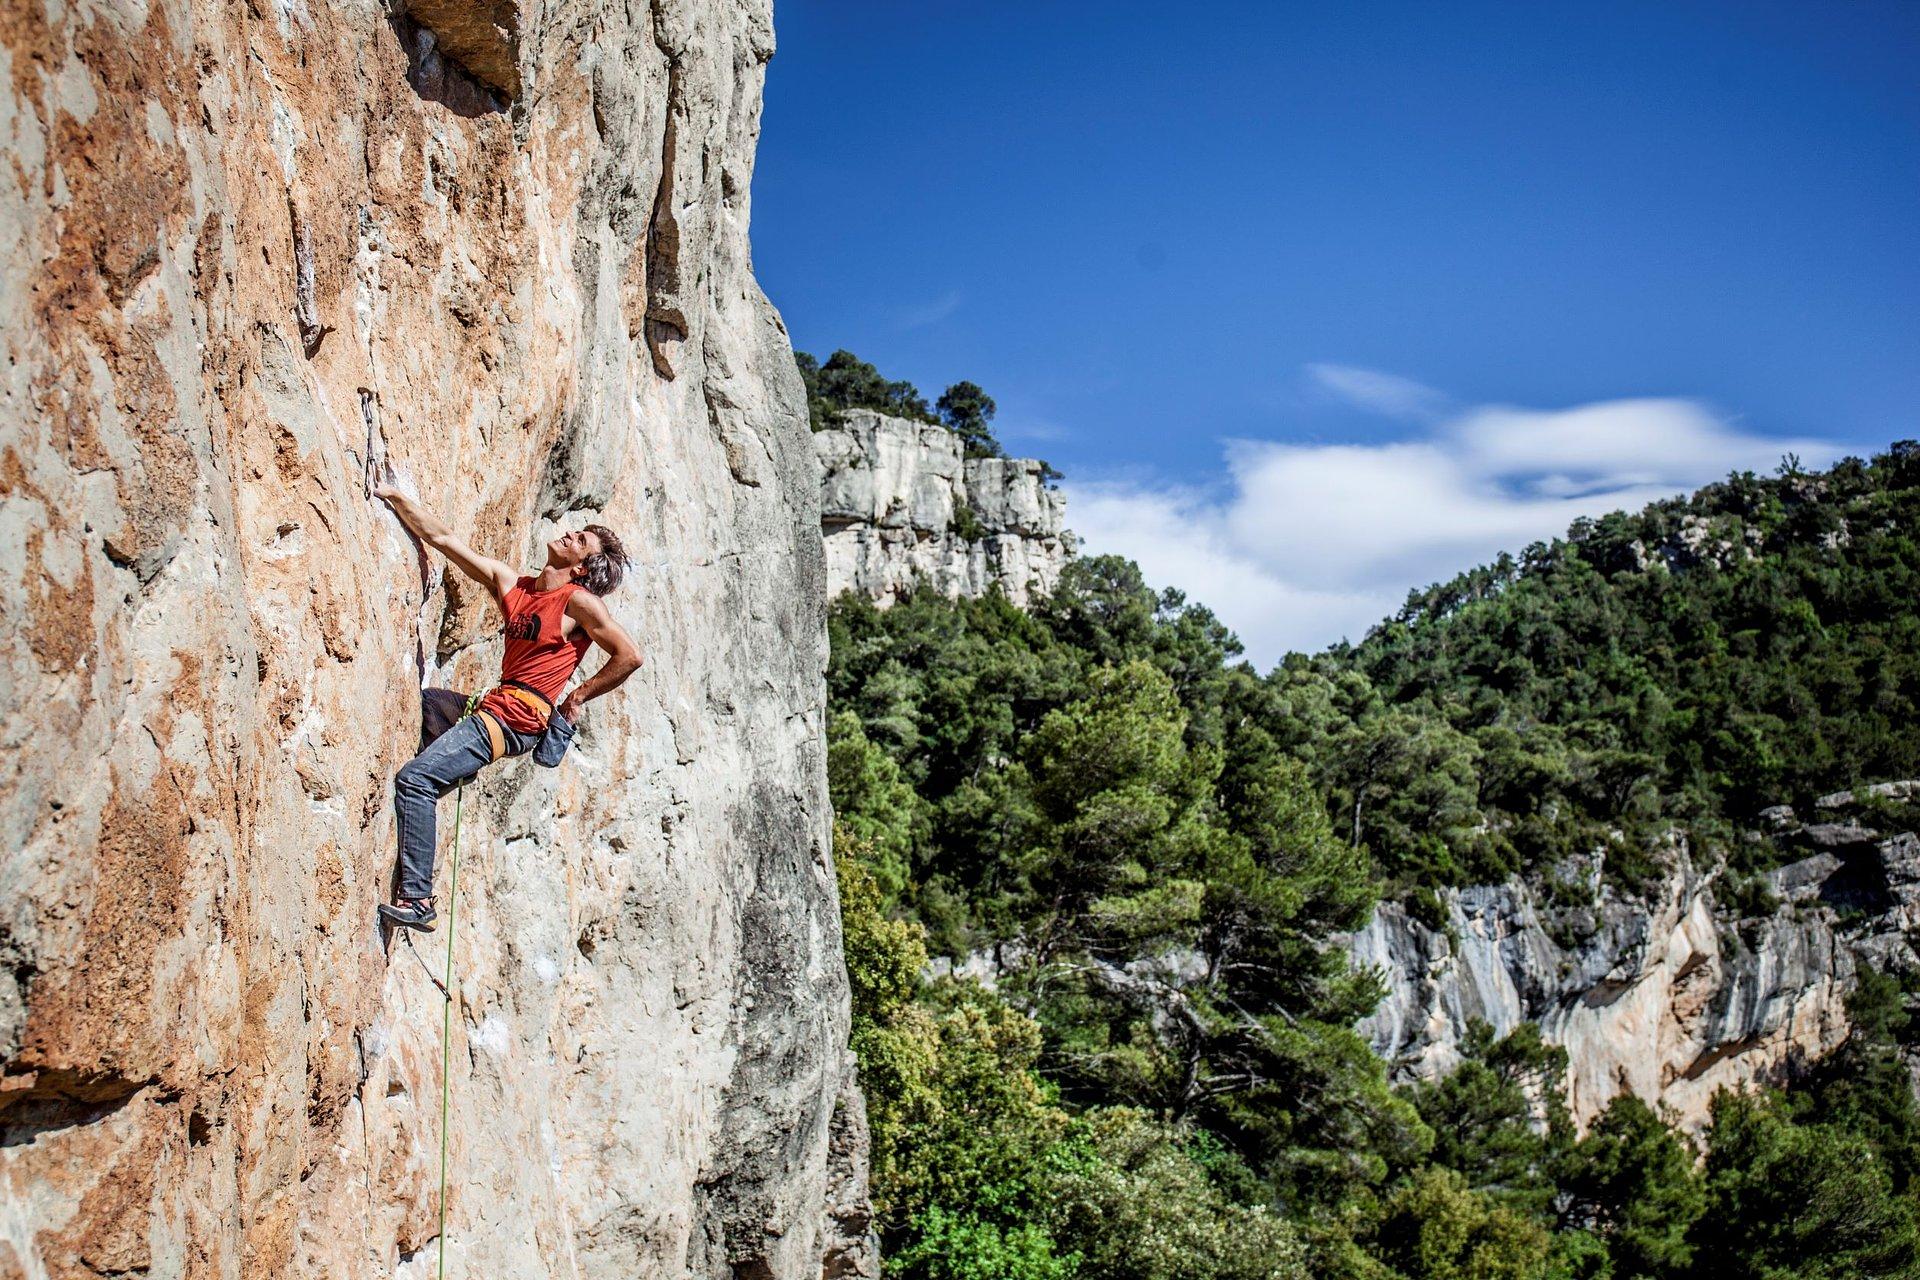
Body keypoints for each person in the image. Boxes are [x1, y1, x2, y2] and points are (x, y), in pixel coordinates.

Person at [371, 485, 642, 930]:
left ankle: (418, 901)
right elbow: (444, 540)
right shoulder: (515, 586)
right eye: (576, 532)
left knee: (414, 779)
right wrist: (393, 496)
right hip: (496, 707)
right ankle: (438, 790)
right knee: (426, 707)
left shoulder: (578, 603)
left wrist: (576, 697)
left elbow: (629, 655)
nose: (569, 534)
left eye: (579, 541)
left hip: (518, 717)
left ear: (579, 568)